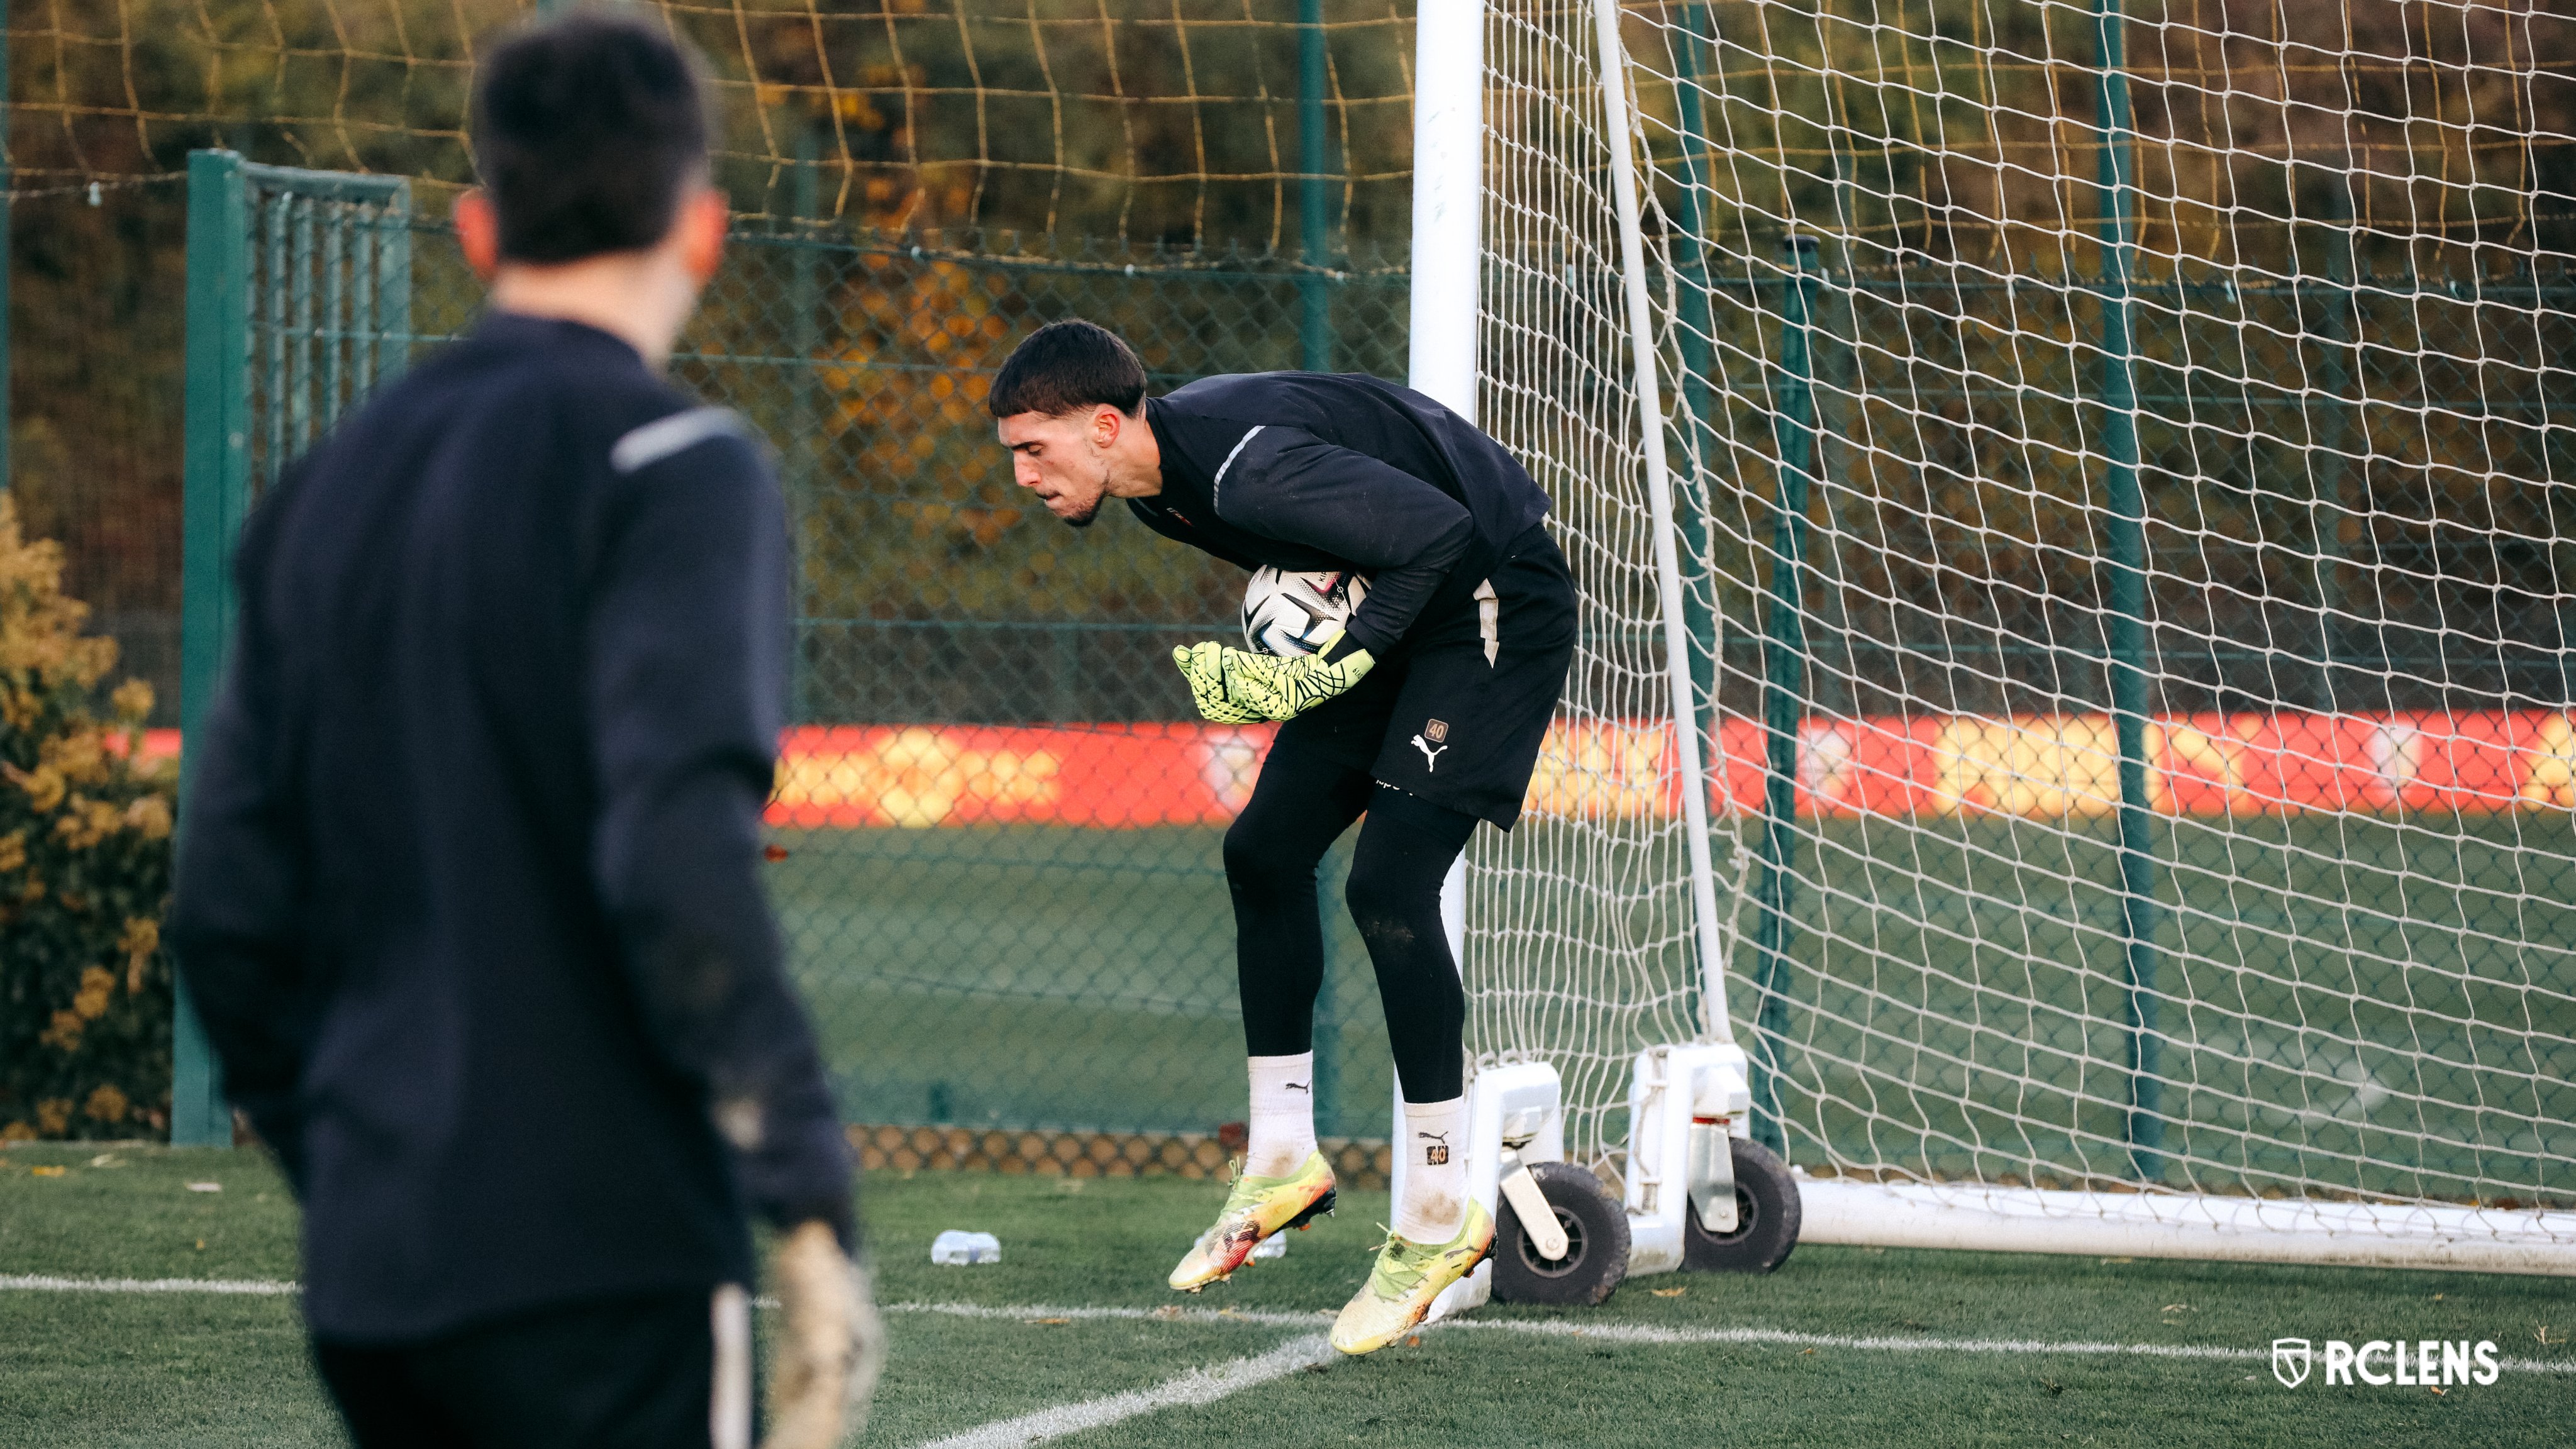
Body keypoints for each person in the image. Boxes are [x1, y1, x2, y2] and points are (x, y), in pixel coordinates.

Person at [169, 14, 879, 1446]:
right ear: (704, 230)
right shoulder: (677, 468)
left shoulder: (328, 488)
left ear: (481, 227)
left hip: (379, 1278)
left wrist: (358, 1158)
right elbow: (676, 862)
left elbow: (223, 909)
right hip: (605, 1263)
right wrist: (807, 1200)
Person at [987, 320, 1578, 1355]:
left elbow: (1441, 533)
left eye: (1035, 448)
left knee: (1389, 887)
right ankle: (1281, 1157)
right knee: (1260, 852)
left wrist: (1331, 658)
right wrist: (1319, 639)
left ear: (1104, 423)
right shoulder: (1158, 490)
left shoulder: (1242, 468)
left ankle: (1442, 1218)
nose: (1025, 474)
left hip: (1489, 598)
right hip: (1407, 604)